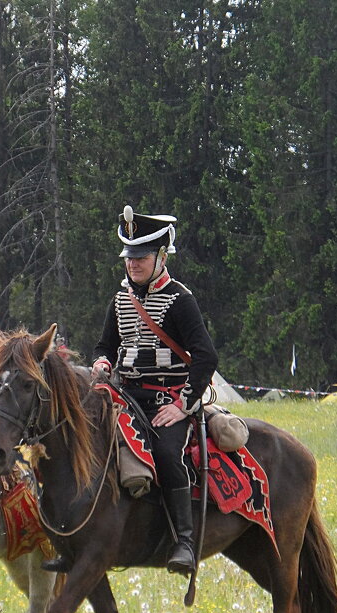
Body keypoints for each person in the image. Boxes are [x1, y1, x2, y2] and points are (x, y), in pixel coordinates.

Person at [92, 205, 218, 576]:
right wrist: (101, 363)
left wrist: (183, 406)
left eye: (141, 257)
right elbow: (104, 346)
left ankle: (184, 542)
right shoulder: (119, 300)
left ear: (161, 256)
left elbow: (205, 356)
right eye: (129, 257)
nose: (133, 264)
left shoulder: (180, 299)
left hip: (168, 401)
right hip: (125, 396)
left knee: (166, 453)